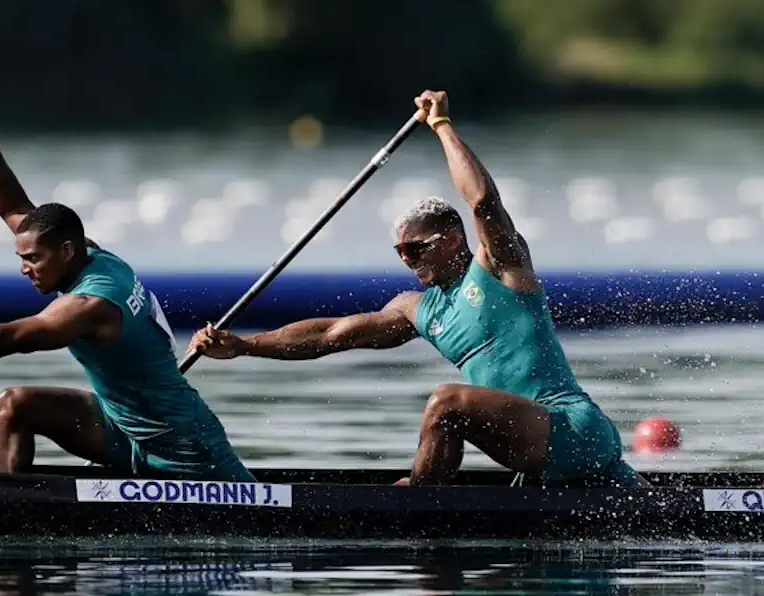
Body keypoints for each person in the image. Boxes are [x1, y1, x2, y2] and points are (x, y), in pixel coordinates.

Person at [187, 89, 643, 489]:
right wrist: (245, 346)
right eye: (399, 253)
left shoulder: (502, 268)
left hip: (573, 430)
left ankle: (420, 505)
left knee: (446, 402)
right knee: (449, 407)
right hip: (534, 449)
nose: (407, 261)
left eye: (414, 249)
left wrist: (441, 124)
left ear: (450, 240)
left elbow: (483, 201)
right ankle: (428, 501)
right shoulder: (417, 309)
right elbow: (328, 336)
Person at [0, 95, 255, 483]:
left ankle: (4, 511)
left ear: (66, 251)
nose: (24, 269)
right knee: (15, 406)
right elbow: (12, 206)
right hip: (122, 430)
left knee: (16, 397)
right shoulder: (88, 254)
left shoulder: (91, 305)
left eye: (32, 259)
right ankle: (7, 512)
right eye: (22, 258)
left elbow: (7, 339)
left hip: (186, 449)